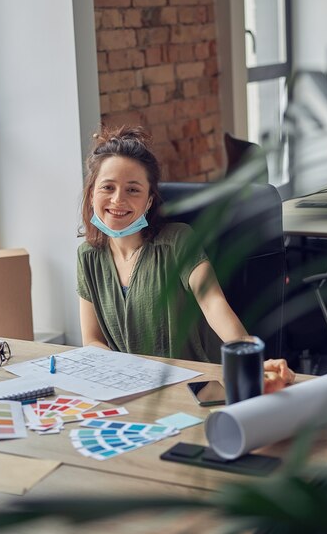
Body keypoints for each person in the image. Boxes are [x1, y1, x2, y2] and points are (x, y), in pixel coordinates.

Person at [77, 125, 294, 392]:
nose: (118, 199)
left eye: (133, 189)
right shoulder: (88, 256)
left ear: (148, 201)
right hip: (134, 389)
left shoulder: (177, 240)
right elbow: (92, 339)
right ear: (91, 195)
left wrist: (248, 356)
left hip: (198, 385)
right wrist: (125, 374)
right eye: (107, 187)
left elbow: (213, 302)